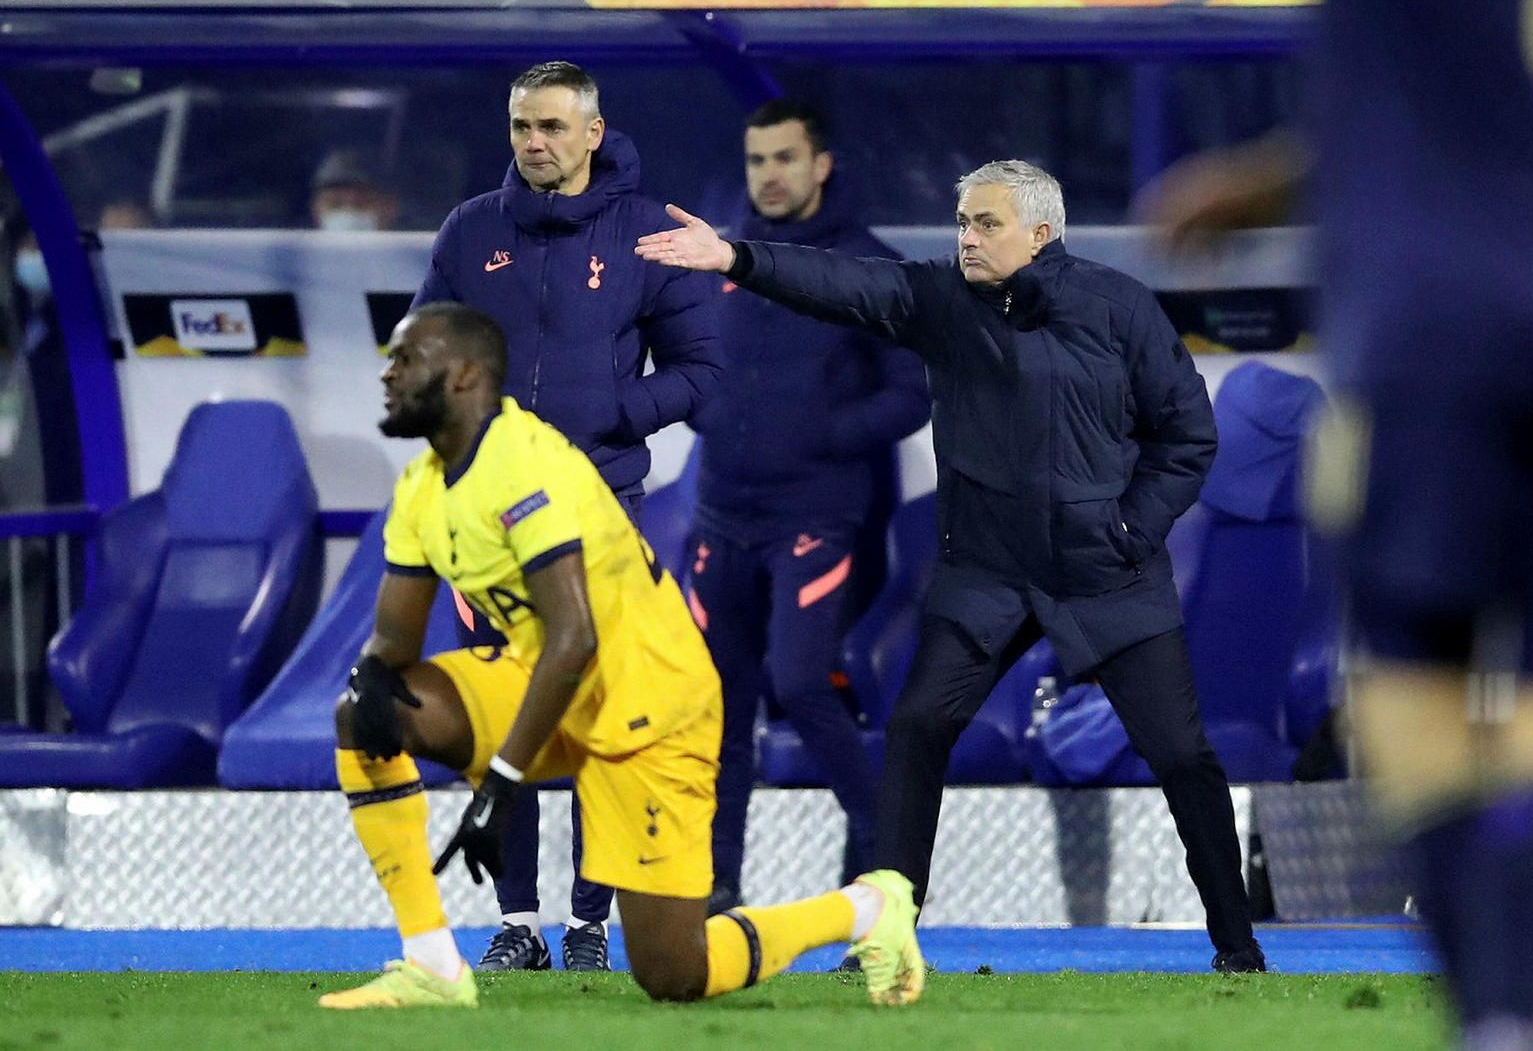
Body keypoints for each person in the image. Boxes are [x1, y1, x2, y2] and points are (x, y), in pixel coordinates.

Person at [1141, 0, 1533, 1046]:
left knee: (1409, 715)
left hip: (1437, 335)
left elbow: (1432, 91)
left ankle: (1500, 1016)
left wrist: (1270, 175)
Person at [636, 159, 1266, 972]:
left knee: (1183, 755)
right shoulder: (942, 299)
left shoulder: (1121, 307)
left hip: (1106, 573)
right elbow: (844, 282)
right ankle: (886, 938)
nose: (967, 237)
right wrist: (737, 258)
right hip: (986, 574)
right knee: (915, 727)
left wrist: (1129, 526)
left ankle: (1239, 948)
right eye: (964, 222)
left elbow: (1188, 437)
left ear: (1041, 234)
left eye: (985, 224)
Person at [318, 302, 922, 1010]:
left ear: (465, 376)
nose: (387, 375)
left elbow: (575, 634)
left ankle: (867, 908)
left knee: (673, 972)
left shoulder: (524, 464)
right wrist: (370, 673)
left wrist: (501, 782)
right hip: (547, 677)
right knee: (366, 711)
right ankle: (431, 963)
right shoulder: (423, 484)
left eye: (405, 359)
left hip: (653, 700)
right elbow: (393, 644)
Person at [412, 60, 722, 973]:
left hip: (602, 514)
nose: (533, 143)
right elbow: (426, 350)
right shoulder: (471, 231)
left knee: (597, 715)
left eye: (551, 126)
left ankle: (591, 923)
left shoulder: (650, 232)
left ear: (593, 132)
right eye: (520, 127)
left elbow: (705, 370)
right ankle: (519, 923)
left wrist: (616, 414)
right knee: (509, 712)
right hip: (494, 524)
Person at [690, 99, 930, 914]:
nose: (771, 175)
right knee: (720, 705)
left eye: (786, 158)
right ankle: (717, 886)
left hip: (815, 517)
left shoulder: (869, 267)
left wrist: (823, 432)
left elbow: (912, 394)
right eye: (758, 160)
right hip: (720, 515)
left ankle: (885, 865)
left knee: (800, 683)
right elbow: (686, 363)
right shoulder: (718, 258)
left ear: (821, 164)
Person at [310, 148, 400, 231]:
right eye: (336, 205)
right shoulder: (298, 244)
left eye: (360, 205)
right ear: (316, 208)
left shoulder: (412, 243)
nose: (348, 212)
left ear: (391, 208)